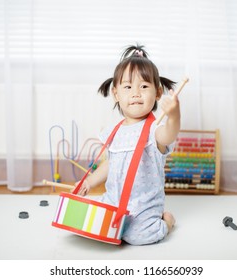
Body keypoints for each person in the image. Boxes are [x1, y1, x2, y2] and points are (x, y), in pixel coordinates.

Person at [75, 44, 179, 245]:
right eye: (128, 87)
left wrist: (174, 115)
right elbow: (110, 163)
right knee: (89, 224)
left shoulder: (154, 129)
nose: (136, 93)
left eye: (144, 86)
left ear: (157, 93)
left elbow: (168, 135)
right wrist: (89, 182)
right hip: (114, 200)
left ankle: (166, 223)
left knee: (138, 237)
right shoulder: (114, 131)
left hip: (143, 207)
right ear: (116, 94)